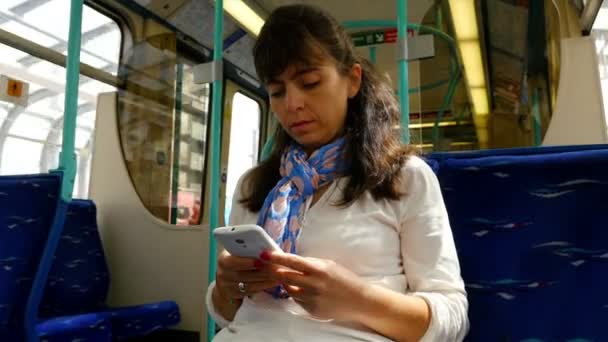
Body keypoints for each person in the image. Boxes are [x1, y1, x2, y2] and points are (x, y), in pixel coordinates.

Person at [206, 4, 469, 341]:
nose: (293, 104)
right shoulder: (256, 186)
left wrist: (356, 299)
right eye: (277, 91)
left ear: (352, 81)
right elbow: (228, 315)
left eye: (310, 82)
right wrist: (227, 289)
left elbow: (452, 317)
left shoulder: (404, 178)